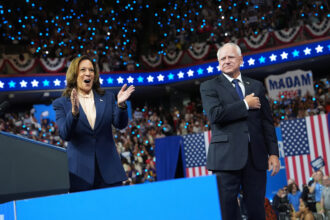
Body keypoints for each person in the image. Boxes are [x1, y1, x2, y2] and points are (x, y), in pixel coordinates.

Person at [200, 42, 280, 220]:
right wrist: (245, 104)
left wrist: (273, 153)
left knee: (257, 208)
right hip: (225, 159)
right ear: (218, 63)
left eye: (230, 57)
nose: (226, 61)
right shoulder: (209, 86)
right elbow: (215, 115)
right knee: (227, 209)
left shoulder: (256, 86)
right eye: (222, 58)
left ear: (241, 60)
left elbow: (266, 122)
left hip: (256, 158)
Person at [53, 55, 135, 192]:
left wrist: (121, 105)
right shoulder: (61, 104)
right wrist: (73, 113)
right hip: (80, 175)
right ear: (74, 74)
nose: (88, 73)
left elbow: (120, 124)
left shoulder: (107, 98)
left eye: (91, 70)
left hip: (110, 172)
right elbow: (65, 134)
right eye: (83, 70)